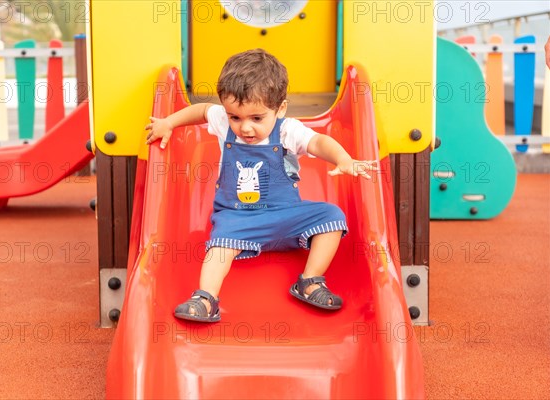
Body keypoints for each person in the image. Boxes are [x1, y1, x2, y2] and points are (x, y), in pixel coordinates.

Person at [146, 49, 378, 322]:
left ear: (280, 109)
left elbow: (318, 142)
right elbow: (201, 111)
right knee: (219, 244)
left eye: (256, 119)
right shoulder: (223, 121)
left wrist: (343, 158)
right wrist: (168, 123)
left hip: (285, 216)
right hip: (238, 218)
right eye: (236, 117)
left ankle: (310, 280)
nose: (245, 128)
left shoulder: (288, 130)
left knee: (333, 217)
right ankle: (206, 298)